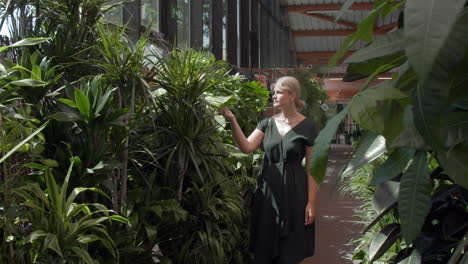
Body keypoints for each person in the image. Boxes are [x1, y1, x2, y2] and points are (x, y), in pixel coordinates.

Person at [221, 76, 318, 264]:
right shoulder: (267, 123)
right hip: (268, 192)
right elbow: (247, 147)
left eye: (278, 92)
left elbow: (313, 168)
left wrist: (311, 203)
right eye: (273, 92)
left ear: (292, 95)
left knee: (290, 250)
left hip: (295, 192)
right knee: (265, 247)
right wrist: (232, 120)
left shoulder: (308, 126)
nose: (273, 96)